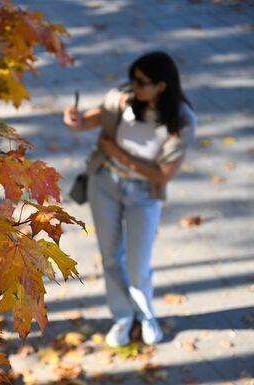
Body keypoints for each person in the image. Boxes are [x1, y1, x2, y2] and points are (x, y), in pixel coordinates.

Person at [62, 51, 196, 347]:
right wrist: (74, 120)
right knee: (110, 256)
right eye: (132, 78)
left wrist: (119, 154)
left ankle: (145, 314)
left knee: (138, 263)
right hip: (105, 183)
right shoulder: (122, 98)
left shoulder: (182, 120)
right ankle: (122, 316)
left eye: (141, 81)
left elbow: (162, 175)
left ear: (162, 85)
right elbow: (88, 120)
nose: (132, 85)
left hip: (144, 194)